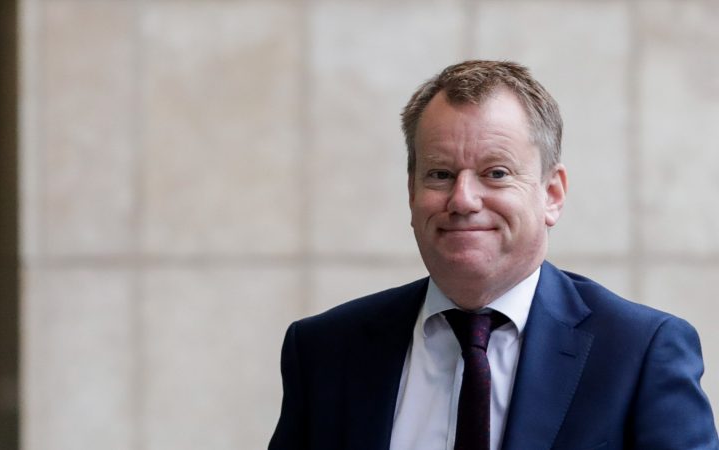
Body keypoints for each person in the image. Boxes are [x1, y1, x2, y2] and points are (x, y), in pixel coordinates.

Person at [268, 60, 719, 450]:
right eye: (440, 174)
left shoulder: (639, 353)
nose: (463, 199)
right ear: (411, 192)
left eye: (496, 173)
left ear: (552, 194)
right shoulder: (325, 352)